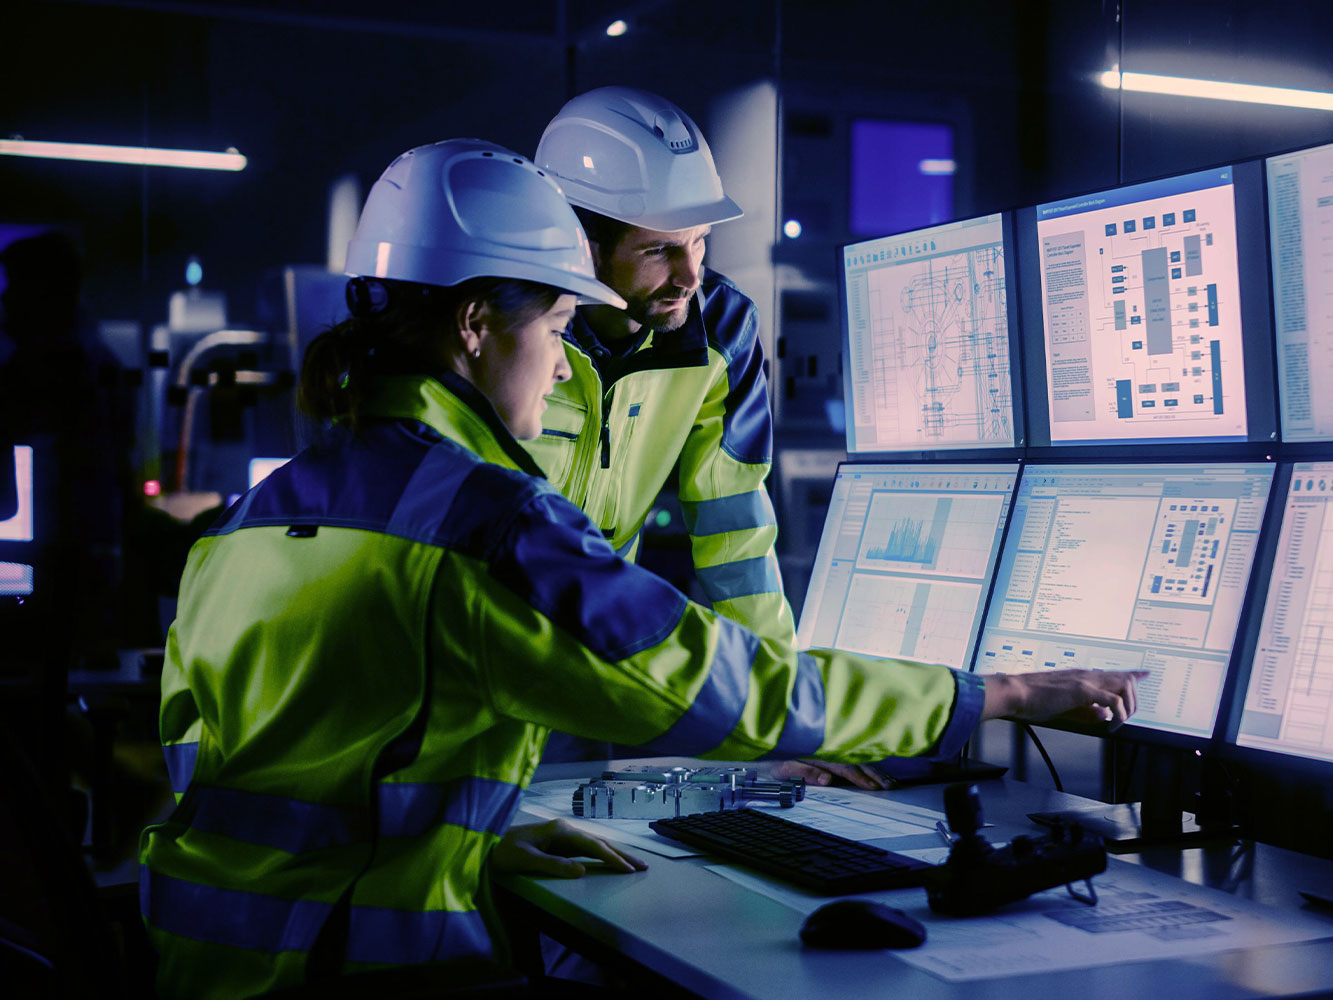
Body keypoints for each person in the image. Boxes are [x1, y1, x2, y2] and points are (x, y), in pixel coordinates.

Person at [138, 138, 1142, 998]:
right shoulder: (483, 521)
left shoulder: (253, 519)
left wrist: (470, 847)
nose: (560, 365)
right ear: (477, 325)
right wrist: (998, 691)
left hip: (202, 960)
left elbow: (257, 770)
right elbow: (719, 684)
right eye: (558, 328)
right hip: (362, 969)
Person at [527, 87, 878, 787]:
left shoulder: (720, 329)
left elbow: (735, 539)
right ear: (579, 245)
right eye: (658, 250)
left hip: (577, 674)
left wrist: (781, 725)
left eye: (700, 242)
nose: (690, 275)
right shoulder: (512, 330)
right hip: (467, 660)